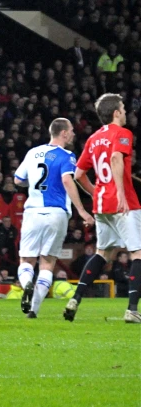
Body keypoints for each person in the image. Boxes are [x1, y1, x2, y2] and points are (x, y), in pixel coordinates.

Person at [68, 94, 141, 323]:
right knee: (137, 253)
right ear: (116, 113)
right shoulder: (122, 133)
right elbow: (117, 159)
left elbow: (79, 175)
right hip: (123, 202)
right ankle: (131, 309)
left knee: (104, 252)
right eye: (123, 108)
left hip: (101, 204)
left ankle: (75, 299)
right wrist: (119, 191)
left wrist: (96, 192)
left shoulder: (93, 139)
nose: (126, 112)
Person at [13, 118, 94, 318]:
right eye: (72, 130)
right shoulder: (67, 155)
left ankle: (27, 285)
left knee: (26, 260)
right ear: (64, 133)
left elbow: (18, 179)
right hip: (57, 213)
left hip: (33, 211)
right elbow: (67, 180)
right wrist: (82, 211)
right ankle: (33, 310)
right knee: (47, 262)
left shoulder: (32, 153)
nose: (74, 133)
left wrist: (34, 184)